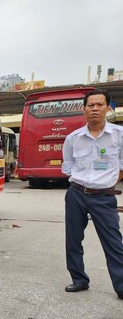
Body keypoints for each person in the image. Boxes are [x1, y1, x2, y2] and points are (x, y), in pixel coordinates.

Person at [62, 88, 123, 299]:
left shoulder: (119, 135)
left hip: (104, 196)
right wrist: (82, 183)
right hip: (76, 194)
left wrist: (105, 182)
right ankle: (79, 280)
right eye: (90, 105)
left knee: (114, 243)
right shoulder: (73, 138)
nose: (95, 108)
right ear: (84, 109)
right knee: (73, 240)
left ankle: (121, 286)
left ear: (108, 108)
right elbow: (68, 167)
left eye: (99, 105)